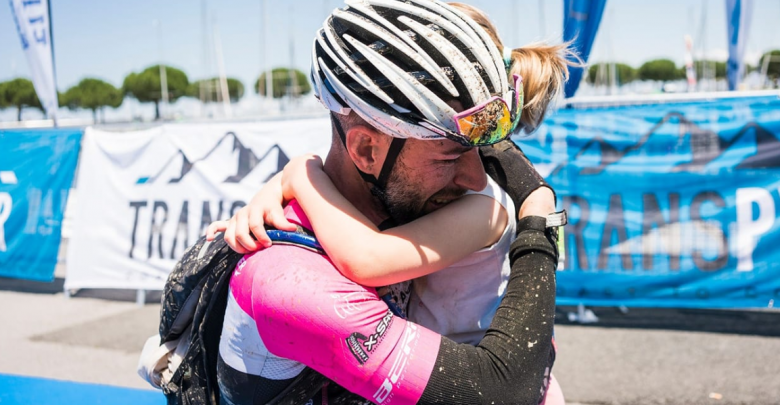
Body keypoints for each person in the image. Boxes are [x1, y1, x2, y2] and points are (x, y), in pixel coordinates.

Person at [209, 1, 573, 403]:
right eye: (450, 155)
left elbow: (367, 255)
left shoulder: (475, 207)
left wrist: (300, 174)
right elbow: (497, 389)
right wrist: (277, 187)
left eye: (482, 151)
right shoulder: (285, 280)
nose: (476, 177)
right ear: (365, 149)